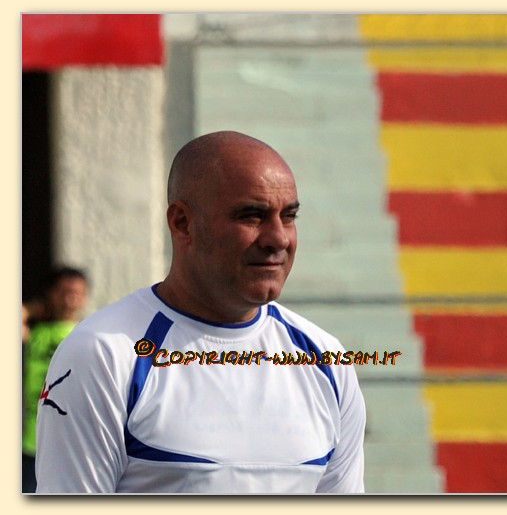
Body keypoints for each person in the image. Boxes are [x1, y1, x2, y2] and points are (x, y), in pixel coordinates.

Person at [36, 131, 366, 494]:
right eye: (252, 216)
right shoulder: (102, 354)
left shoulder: (326, 360)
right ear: (182, 223)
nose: (278, 238)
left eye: (288, 216)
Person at [22, 267, 89, 493]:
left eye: (77, 293)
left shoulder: (89, 334)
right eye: (64, 292)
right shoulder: (36, 332)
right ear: (51, 293)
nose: (70, 299)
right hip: (29, 443)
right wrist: (33, 308)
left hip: (69, 445)